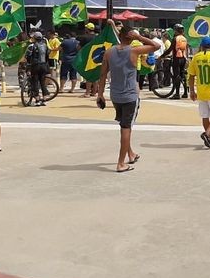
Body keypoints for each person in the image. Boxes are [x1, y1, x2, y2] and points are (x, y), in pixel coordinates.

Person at [97, 22, 159, 173]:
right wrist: (139, 36)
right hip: (130, 95)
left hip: (115, 95)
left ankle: (130, 154)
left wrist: (100, 94)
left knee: (124, 125)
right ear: (131, 38)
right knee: (126, 128)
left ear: (119, 36)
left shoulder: (108, 52)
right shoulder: (134, 51)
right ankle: (121, 163)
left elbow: (103, 74)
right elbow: (155, 46)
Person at [162, 23, 189, 99]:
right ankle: (185, 93)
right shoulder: (184, 38)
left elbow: (170, 49)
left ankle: (177, 94)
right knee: (182, 75)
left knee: (176, 76)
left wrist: (162, 56)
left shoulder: (175, 39)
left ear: (176, 31)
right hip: (183, 58)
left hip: (177, 58)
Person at [25, 31, 50, 106]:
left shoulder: (32, 46)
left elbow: (28, 56)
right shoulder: (45, 45)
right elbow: (47, 55)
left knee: (35, 82)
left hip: (35, 66)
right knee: (42, 82)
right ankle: (44, 98)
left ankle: (37, 99)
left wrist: (29, 64)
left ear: (34, 38)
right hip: (44, 66)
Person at [78, 23, 98, 98]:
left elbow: (79, 48)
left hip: (87, 58)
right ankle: (94, 92)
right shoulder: (97, 37)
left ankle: (87, 93)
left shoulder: (84, 37)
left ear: (87, 29)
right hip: (96, 57)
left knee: (88, 75)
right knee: (95, 75)